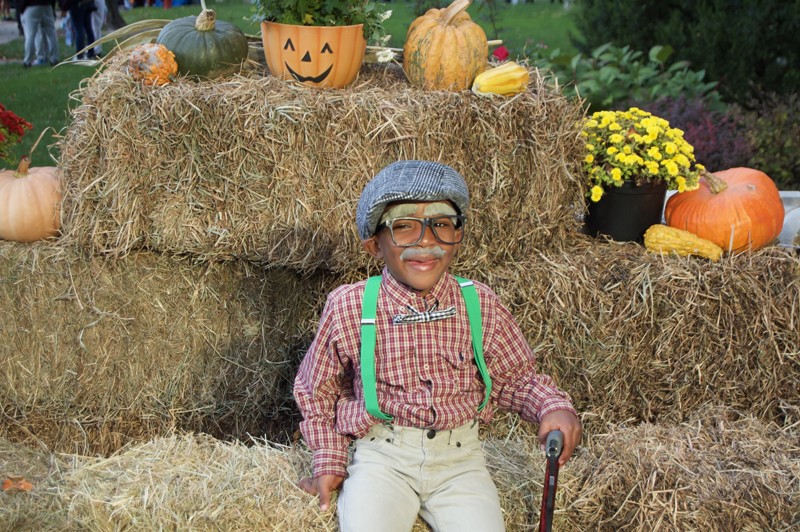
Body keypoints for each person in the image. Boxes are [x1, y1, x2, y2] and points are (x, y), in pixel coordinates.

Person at [294, 160, 582, 531]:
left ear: (457, 236)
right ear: (375, 245)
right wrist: (330, 459)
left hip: (461, 462)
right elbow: (316, 390)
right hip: (383, 457)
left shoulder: (479, 303)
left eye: (441, 224)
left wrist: (552, 407)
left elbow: (515, 379)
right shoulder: (350, 306)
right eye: (404, 226)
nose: (426, 241)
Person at [18, 0, 59, 67]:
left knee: (30, 35)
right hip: (47, 5)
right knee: (51, 34)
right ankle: (54, 58)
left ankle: (28, 61)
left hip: (30, 6)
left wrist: (21, 8)